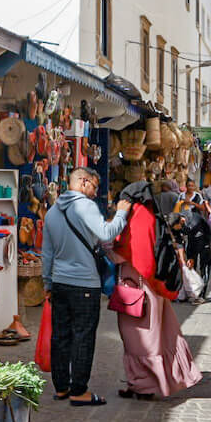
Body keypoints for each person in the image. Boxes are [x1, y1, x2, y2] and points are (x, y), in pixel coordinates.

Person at [41, 166, 132, 407]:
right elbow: (106, 233)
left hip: (60, 282)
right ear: (82, 182)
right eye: (94, 185)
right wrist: (121, 214)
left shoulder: (51, 212)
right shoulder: (85, 206)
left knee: (61, 336)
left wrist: (47, 283)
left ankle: (61, 388)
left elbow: (47, 253)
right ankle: (78, 390)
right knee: (83, 336)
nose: (95, 192)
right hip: (84, 284)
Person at [111, 181, 203, 399]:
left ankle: (147, 385)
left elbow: (141, 255)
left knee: (140, 336)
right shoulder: (148, 213)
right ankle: (143, 383)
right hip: (149, 285)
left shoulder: (138, 215)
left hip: (139, 284)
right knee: (153, 334)